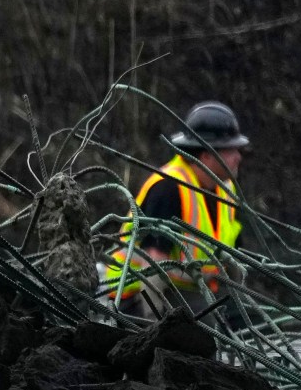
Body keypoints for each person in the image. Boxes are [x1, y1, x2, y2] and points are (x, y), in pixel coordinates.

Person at [102, 101, 248, 315]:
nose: (239, 157)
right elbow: (151, 269)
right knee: (200, 331)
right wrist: (155, 330)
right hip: (138, 298)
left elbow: (234, 260)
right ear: (206, 155)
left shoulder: (226, 190)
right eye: (231, 150)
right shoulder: (168, 187)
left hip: (193, 290)